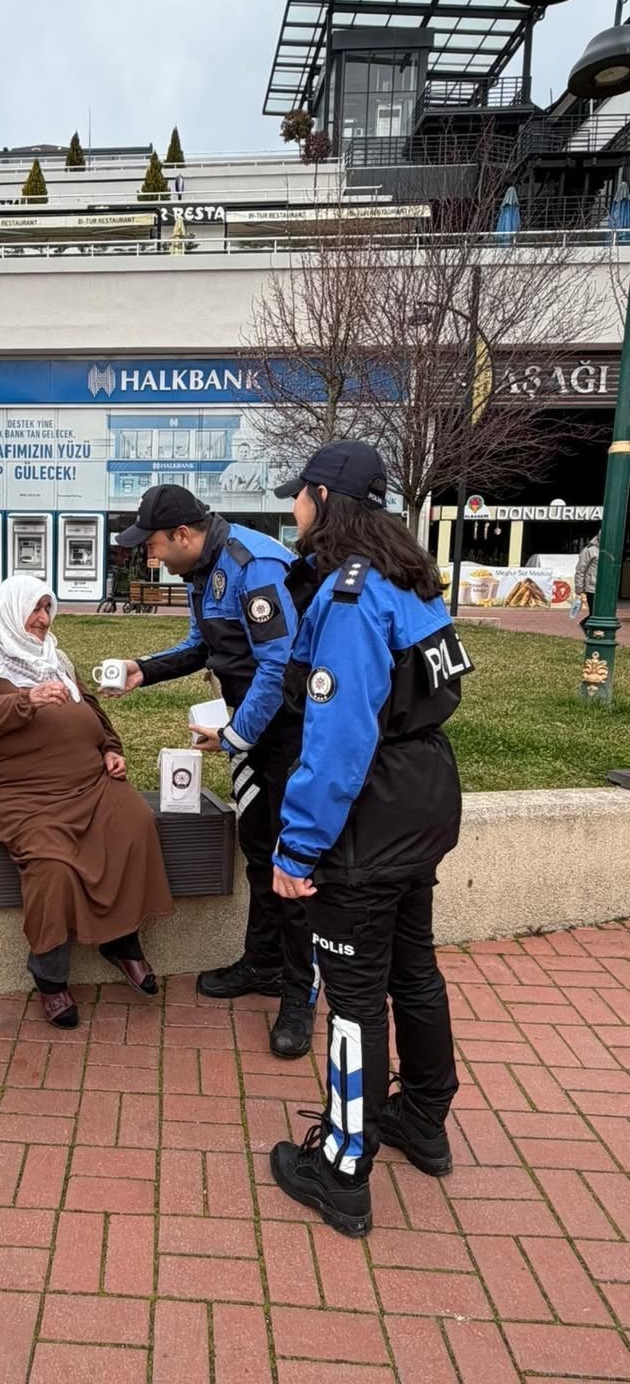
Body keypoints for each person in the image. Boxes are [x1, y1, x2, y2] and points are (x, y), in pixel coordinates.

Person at [267, 441, 471, 1237]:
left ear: (324, 499)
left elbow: (339, 740)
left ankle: (343, 1167)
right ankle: (423, 1117)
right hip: (422, 801)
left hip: (368, 817)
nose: (294, 508)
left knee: (353, 999)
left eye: (299, 495)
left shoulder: (351, 597)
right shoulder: (409, 578)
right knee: (414, 969)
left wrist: (296, 849)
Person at [112, 484, 319, 1058]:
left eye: (152, 544)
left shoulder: (253, 565)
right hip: (251, 733)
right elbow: (202, 644)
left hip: (290, 735)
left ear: (182, 534)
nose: (149, 555)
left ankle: (300, 992)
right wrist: (143, 670)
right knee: (258, 851)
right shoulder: (201, 570)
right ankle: (263, 963)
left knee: (292, 863)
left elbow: (278, 665)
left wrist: (234, 736)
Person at [0, 575, 174, 1029]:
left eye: (48, 608)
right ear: (11, 610)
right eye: (34, 609)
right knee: (52, 865)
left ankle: (121, 940)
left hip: (90, 783)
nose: (43, 619)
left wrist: (111, 748)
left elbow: (91, 708)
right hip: (23, 797)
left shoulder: (57, 658)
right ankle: (49, 975)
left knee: (135, 824)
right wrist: (25, 700)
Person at [574, 533, 599, 627]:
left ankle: (588, 628)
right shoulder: (589, 550)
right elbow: (580, 570)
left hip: (606, 589)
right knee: (594, 614)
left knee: (600, 614)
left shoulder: (611, 551)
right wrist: (579, 589)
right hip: (592, 587)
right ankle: (585, 626)